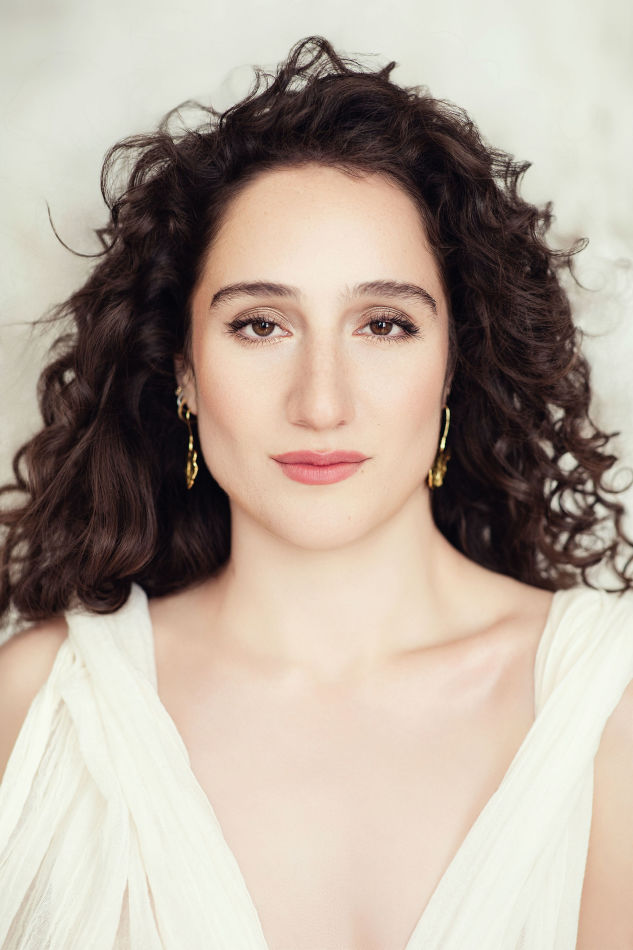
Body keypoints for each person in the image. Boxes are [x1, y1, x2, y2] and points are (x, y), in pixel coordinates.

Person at [0, 34, 632, 950]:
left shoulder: (608, 706)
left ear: (455, 365)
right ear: (182, 370)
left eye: (384, 324)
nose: (321, 403)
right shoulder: (37, 711)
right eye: (261, 325)